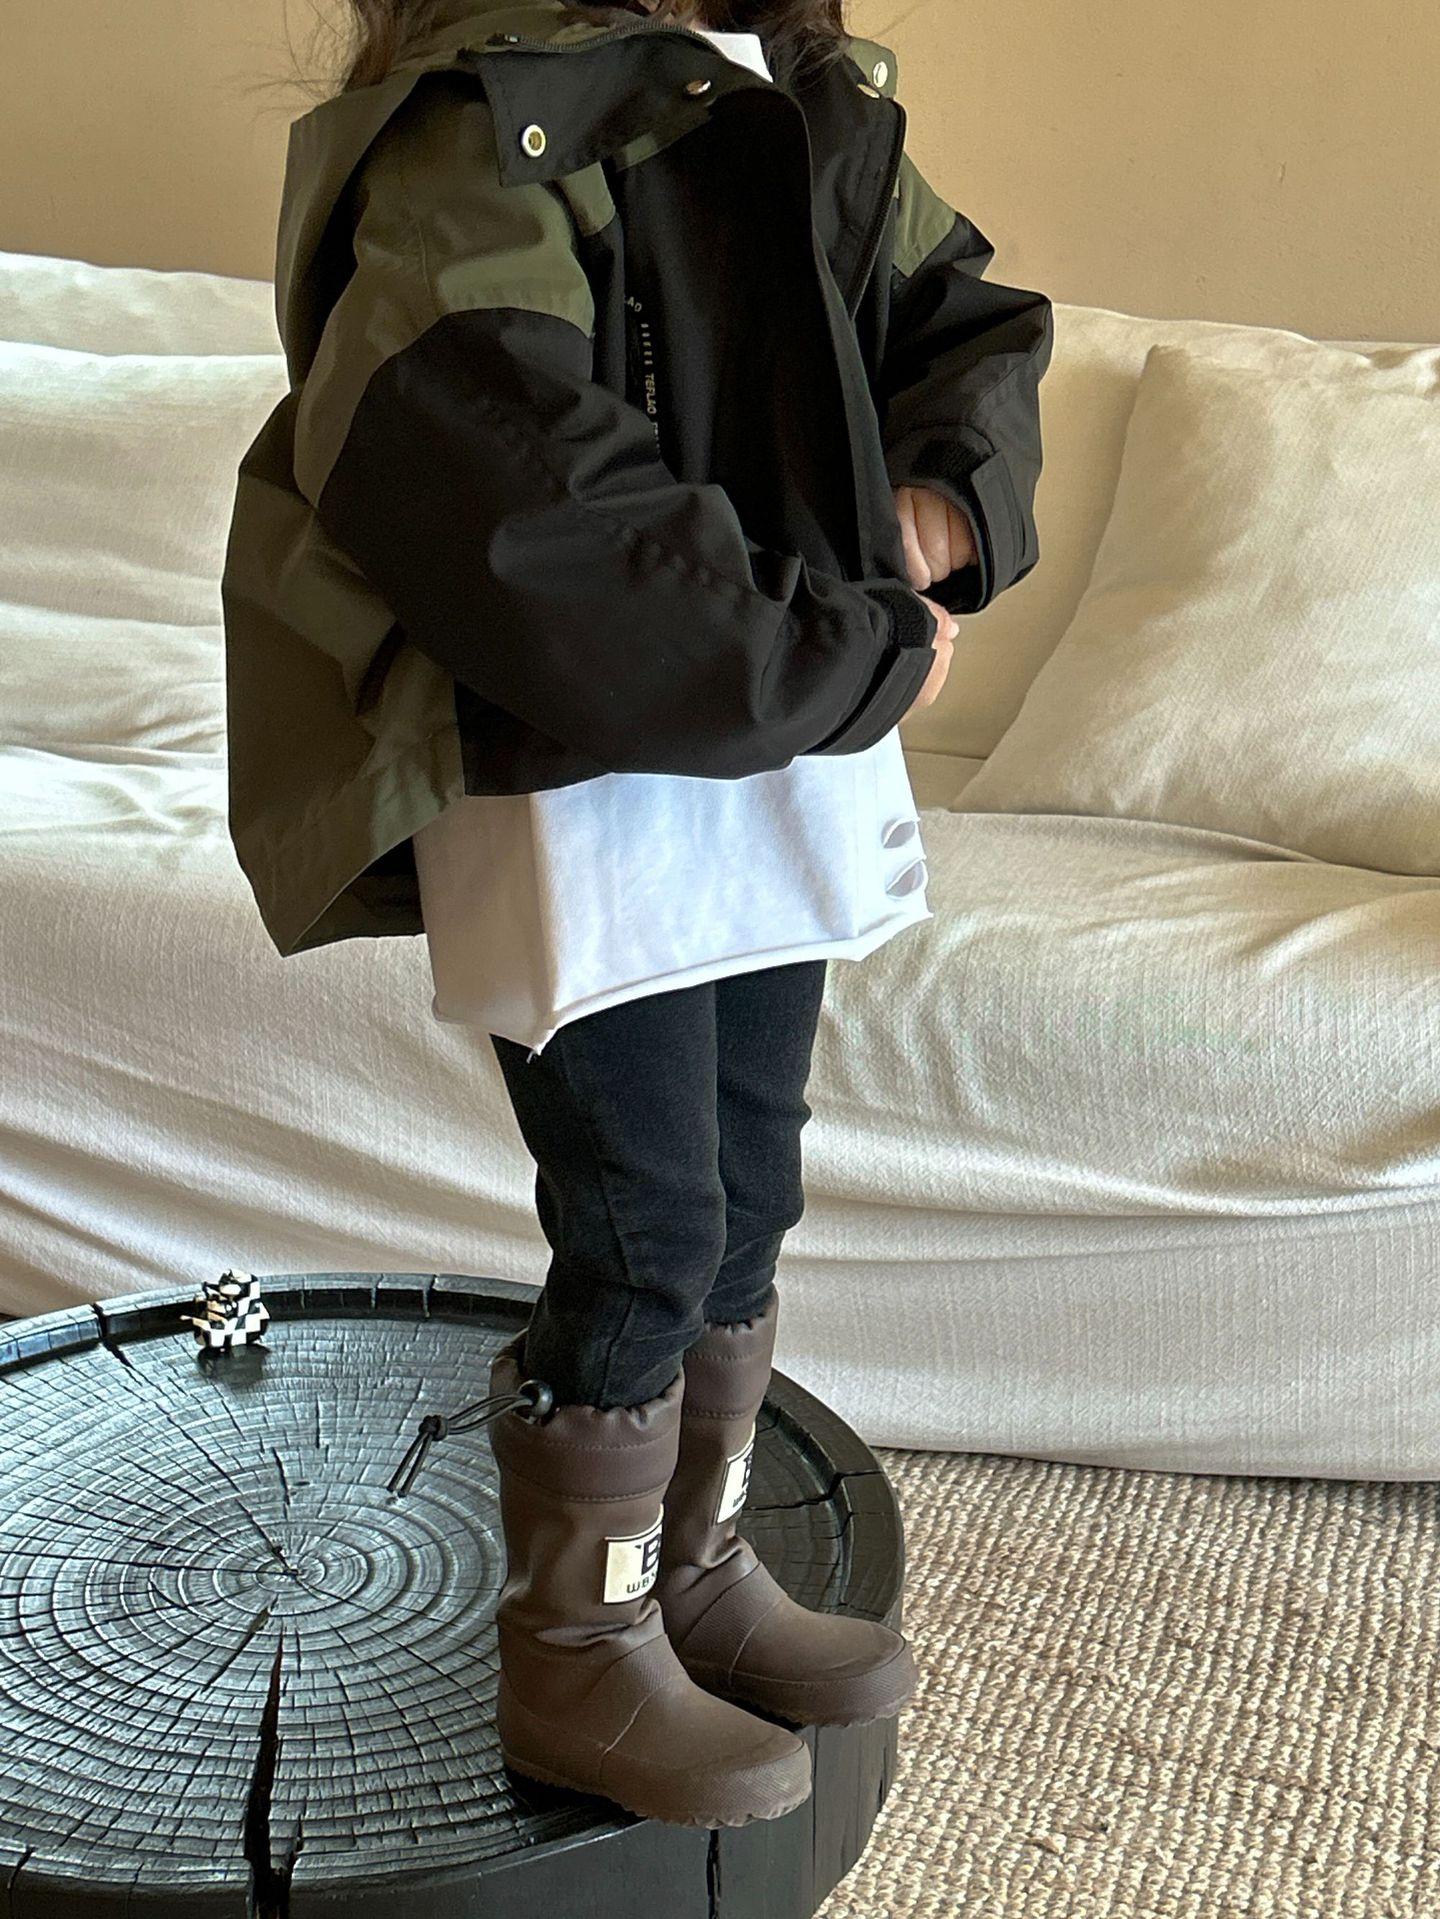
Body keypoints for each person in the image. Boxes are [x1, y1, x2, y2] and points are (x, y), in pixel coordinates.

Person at [222, 0, 1051, 1831]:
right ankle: (576, 1646)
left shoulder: (799, 91)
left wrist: (942, 499)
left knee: (750, 1180)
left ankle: (696, 1566)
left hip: (773, 756)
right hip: (576, 787)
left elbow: (965, 322)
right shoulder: (486, 129)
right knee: (645, 1221)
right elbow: (515, 502)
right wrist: (846, 649)